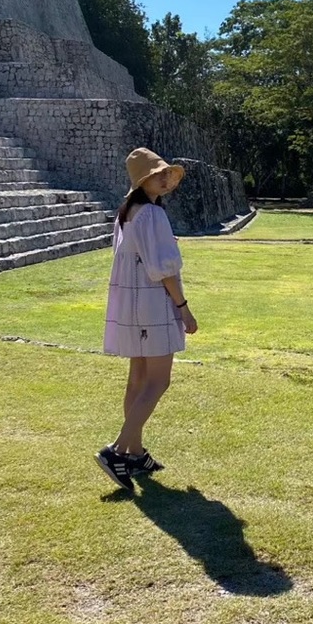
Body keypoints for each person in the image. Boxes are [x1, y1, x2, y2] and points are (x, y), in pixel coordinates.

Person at [95, 147, 198, 492]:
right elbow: (164, 270)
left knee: (138, 378)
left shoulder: (127, 213)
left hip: (131, 304)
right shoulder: (152, 216)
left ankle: (135, 452)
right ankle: (117, 450)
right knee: (158, 380)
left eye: (166, 173)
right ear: (144, 180)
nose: (165, 179)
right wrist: (183, 307)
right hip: (153, 304)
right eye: (158, 174)